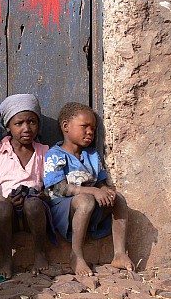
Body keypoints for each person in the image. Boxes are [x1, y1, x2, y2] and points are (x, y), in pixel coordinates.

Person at [43, 102, 134, 276]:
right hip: (61, 210)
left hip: (88, 207)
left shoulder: (91, 155)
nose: (90, 132)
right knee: (86, 200)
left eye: (93, 128)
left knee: (119, 199)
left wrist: (105, 190)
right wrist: (92, 191)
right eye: (84, 126)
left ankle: (119, 254)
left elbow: (99, 183)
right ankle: (76, 255)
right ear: (65, 126)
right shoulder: (55, 155)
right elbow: (59, 188)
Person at [0, 94, 53, 278]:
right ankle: (6, 261)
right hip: (6, 216)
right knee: (2, 208)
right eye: (19, 123)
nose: (27, 128)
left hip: (34, 215)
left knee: (33, 204)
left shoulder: (44, 152)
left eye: (32, 122)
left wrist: (40, 195)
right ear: (8, 127)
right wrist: (4, 200)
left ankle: (40, 255)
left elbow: (51, 187)